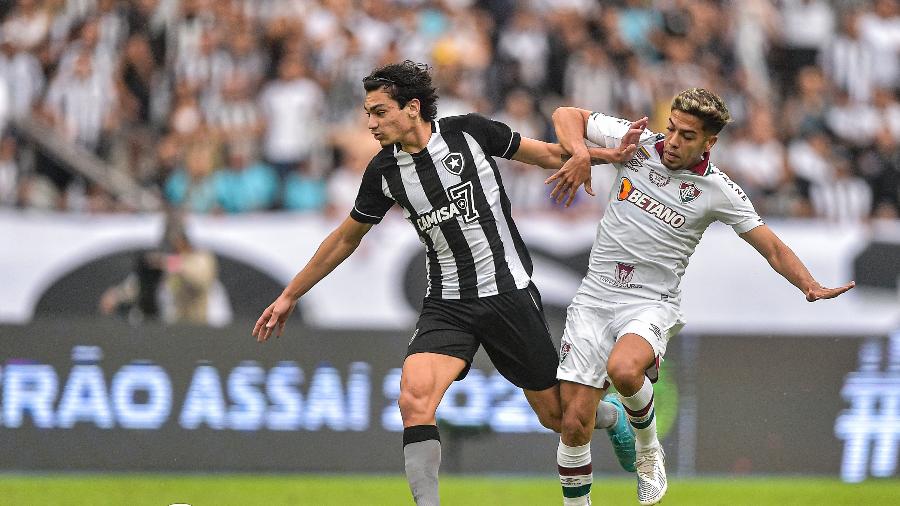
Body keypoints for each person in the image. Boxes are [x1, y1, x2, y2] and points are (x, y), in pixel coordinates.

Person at [252, 61, 638, 506]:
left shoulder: (470, 132)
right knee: (414, 400)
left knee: (558, 416)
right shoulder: (383, 173)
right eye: (368, 113)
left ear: (412, 107)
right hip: (447, 303)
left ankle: (611, 417)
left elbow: (547, 154)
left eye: (379, 112)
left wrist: (605, 156)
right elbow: (345, 237)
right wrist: (289, 295)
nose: (371, 124)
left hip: (507, 292)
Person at [547, 88, 856, 506]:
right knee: (573, 424)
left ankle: (649, 451)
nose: (672, 141)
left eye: (686, 136)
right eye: (671, 129)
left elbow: (771, 246)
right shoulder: (635, 141)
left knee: (624, 370)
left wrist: (809, 285)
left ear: (709, 142)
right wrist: (581, 152)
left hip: (649, 301)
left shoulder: (718, 189)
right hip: (594, 296)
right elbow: (566, 113)